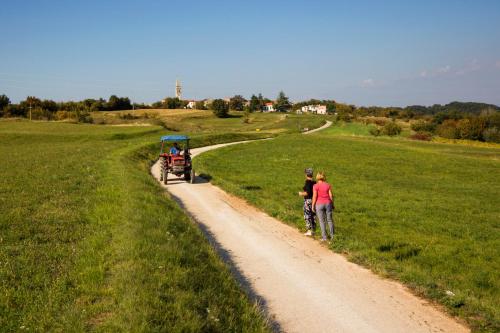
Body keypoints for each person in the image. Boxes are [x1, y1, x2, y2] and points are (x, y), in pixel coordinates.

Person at [312, 171, 334, 241]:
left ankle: (324, 237)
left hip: (319, 204)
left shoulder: (315, 186)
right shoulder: (328, 185)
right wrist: (332, 204)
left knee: (322, 221)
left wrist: (313, 205)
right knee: (330, 220)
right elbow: (331, 195)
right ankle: (332, 236)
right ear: (324, 177)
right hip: (328, 203)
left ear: (317, 177)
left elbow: (314, 196)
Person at [298, 168, 316, 236]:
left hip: (308, 200)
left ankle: (309, 230)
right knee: (313, 215)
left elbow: (307, 193)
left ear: (306, 174)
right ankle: (313, 230)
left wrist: (301, 193)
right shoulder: (314, 182)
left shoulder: (308, 182)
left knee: (307, 215)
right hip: (314, 200)